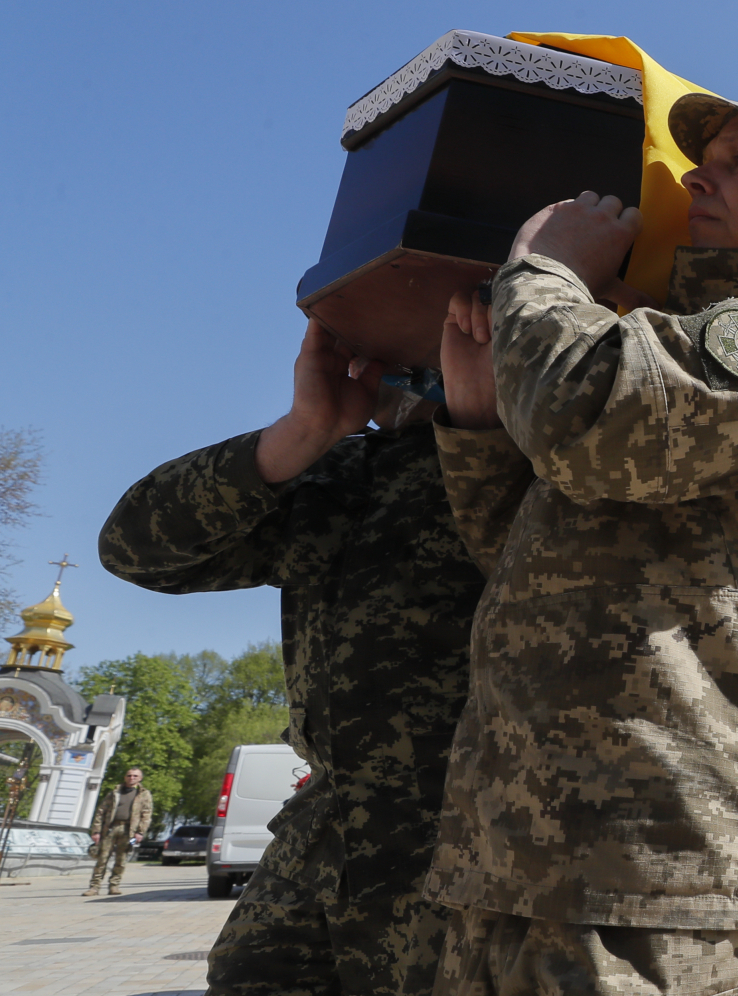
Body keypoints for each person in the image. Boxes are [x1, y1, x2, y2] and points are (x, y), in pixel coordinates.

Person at [425, 71, 738, 995]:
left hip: (681, 873)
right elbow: (522, 558)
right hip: (513, 858)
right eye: (702, 161)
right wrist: (475, 427)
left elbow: (596, 418)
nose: (699, 178)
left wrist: (542, 268)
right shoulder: (653, 333)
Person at [101, 319, 487, 993]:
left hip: (481, 836)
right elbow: (135, 547)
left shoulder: (553, 462)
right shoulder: (344, 476)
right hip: (332, 836)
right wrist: (301, 434)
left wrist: (485, 422)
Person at [81, 768, 151, 896]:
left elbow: (146, 815)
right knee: (102, 858)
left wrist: (140, 832)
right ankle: (94, 887)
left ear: (140, 778)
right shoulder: (114, 792)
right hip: (110, 829)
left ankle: (114, 886)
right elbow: (101, 811)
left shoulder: (144, 794)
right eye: (129, 775)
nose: (132, 778)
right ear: (125, 777)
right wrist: (96, 831)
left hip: (129, 832)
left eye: (135, 776)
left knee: (121, 859)